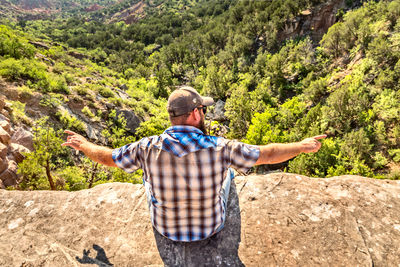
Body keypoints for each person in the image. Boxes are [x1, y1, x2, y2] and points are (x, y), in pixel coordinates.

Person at [62, 86, 326, 242]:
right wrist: (303, 146)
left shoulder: (145, 147)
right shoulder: (221, 148)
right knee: (229, 177)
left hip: (165, 229)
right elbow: (266, 154)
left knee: (146, 178)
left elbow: (109, 159)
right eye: (204, 110)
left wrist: (83, 144)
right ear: (196, 113)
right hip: (211, 228)